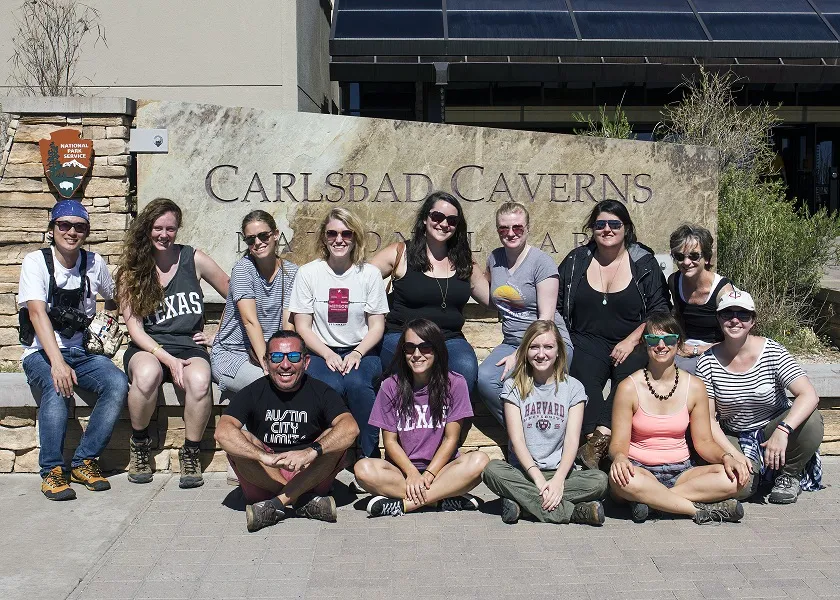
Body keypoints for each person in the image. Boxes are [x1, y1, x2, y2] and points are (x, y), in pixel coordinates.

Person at [18, 200, 128, 500]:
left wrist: (109, 320)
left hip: (82, 352)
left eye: (79, 227)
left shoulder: (94, 263)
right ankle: (52, 471)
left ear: (86, 232)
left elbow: (116, 295)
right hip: (41, 352)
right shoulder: (36, 262)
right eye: (63, 225)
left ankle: (84, 461)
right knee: (57, 386)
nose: (71, 232)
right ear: (52, 229)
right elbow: (37, 313)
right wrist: (57, 362)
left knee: (117, 382)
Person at [116, 198, 229, 489]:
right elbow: (135, 329)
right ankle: (140, 443)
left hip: (188, 345)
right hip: (148, 347)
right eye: (157, 228)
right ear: (146, 228)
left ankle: (190, 452)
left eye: (171, 228)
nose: (164, 234)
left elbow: (237, 293)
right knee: (146, 375)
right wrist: (168, 360)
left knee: (201, 380)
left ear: (178, 229)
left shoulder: (194, 259)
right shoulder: (132, 270)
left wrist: (220, 334)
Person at [557, 199, 670, 470]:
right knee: (584, 386)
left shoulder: (643, 262)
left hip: (632, 339)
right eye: (600, 224)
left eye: (614, 224)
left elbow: (660, 308)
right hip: (585, 338)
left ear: (626, 228)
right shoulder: (576, 261)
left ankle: (598, 442)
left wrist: (632, 340)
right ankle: (594, 447)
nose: (607, 229)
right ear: (592, 228)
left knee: (627, 382)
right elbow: (558, 304)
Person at [608, 313, 749, 524]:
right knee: (620, 481)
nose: (661, 345)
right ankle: (697, 510)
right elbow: (618, 443)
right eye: (653, 340)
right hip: (640, 469)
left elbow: (704, 442)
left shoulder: (694, 387)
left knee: (735, 480)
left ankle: (653, 502)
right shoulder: (628, 387)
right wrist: (619, 457)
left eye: (670, 339)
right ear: (645, 345)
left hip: (682, 471)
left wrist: (727, 456)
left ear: (679, 344)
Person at [215, 331, 359, 532]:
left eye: (293, 357)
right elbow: (222, 432)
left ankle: (275, 505)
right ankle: (302, 500)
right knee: (241, 439)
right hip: (266, 474)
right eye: (276, 357)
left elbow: (350, 428)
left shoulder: (321, 391)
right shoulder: (253, 391)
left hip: (309, 469)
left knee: (334, 439)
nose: (285, 365)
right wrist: (264, 457)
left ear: (306, 362)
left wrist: (310, 452)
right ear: (266, 363)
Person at [696, 290, 824, 504]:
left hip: (773, 426)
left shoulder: (772, 351)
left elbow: (808, 394)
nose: (735, 320)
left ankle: (789, 475)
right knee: (741, 487)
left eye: (743, 315)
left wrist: (783, 431)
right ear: (718, 318)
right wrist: (732, 454)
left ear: (753, 320)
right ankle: (756, 477)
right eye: (727, 314)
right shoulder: (707, 361)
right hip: (735, 433)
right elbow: (708, 419)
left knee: (811, 419)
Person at [354, 319, 489, 517]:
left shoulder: (455, 383)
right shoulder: (391, 386)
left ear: (437, 350)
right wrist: (412, 473)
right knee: (362, 468)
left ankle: (404, 505)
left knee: (481, 461)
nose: (417, 355)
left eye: (425, 347)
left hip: (441, 469)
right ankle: (441, 499)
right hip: (402, 472)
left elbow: (451, 439)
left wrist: (428, 474)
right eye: (410, 348)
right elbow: (389, 442)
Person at [482, 320, 609, 526]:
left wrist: (558, 481)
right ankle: (575, 512)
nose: (541, 354)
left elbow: (571, 440)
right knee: (492, 470)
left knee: (600, 481)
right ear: (525, 351)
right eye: (534, 347)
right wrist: (539, 480)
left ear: (559, 351)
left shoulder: (573, 388)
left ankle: (522, 505)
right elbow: (517, 439)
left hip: (562, 473)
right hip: (524, 472)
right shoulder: (513, 386)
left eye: (548, 347)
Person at [289, 207, 388, 460]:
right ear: (324, 236)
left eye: (346, 233)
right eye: (332, 233)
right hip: (321, 352)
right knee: (328, 387)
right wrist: (327, 353)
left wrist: (357, 352)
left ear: (356, 237)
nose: (339, 239)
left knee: (357, 385)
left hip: (362, 351)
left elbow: (376, 326)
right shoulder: (308, 273)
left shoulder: (369, 274)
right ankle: (326, 457)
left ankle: (369, 454)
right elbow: (302, 326)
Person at [371, 191, 486, 397]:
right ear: (425, 218)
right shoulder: (400, 253)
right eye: (437, 217)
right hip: (401, 337)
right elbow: (359, 280)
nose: (444, 224)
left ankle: (449, 428)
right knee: (410, 371)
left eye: (452, 220)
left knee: (466, 369)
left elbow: (492, 298)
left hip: (448, 339)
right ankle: (410, 424)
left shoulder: (464, 261)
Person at [476, 201, 572, 425]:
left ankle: (536, 438)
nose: (511, 233)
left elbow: (546, 320)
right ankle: (523, 432)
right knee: (486, 380)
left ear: (528, 228)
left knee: (534, 383)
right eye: (503, 229)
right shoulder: (495, 259)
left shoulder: (542, 263)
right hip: (511, 341)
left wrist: (521, 354)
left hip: (547, 341)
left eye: (517, 227)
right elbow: (493, 299)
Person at [211, 210, 298, 394]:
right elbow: (249, 321)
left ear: (275, 235)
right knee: (269, 386)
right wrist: (268, 367)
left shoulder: (291, 273)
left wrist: (283, 360)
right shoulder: (243, 269)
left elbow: (287, 325)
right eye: (251, 239)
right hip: (233, 355)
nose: (257, 243)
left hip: (272, 353)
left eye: (263, 236)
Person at [667, 224, 734, 374]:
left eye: (694, 256)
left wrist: (697, 349)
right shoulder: (674, 281)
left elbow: (736, 336)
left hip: (717, 350)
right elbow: (677, 316)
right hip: (684, 347)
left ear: (707, 258)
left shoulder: (722, 291)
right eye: (679, 256)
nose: (686, 262)